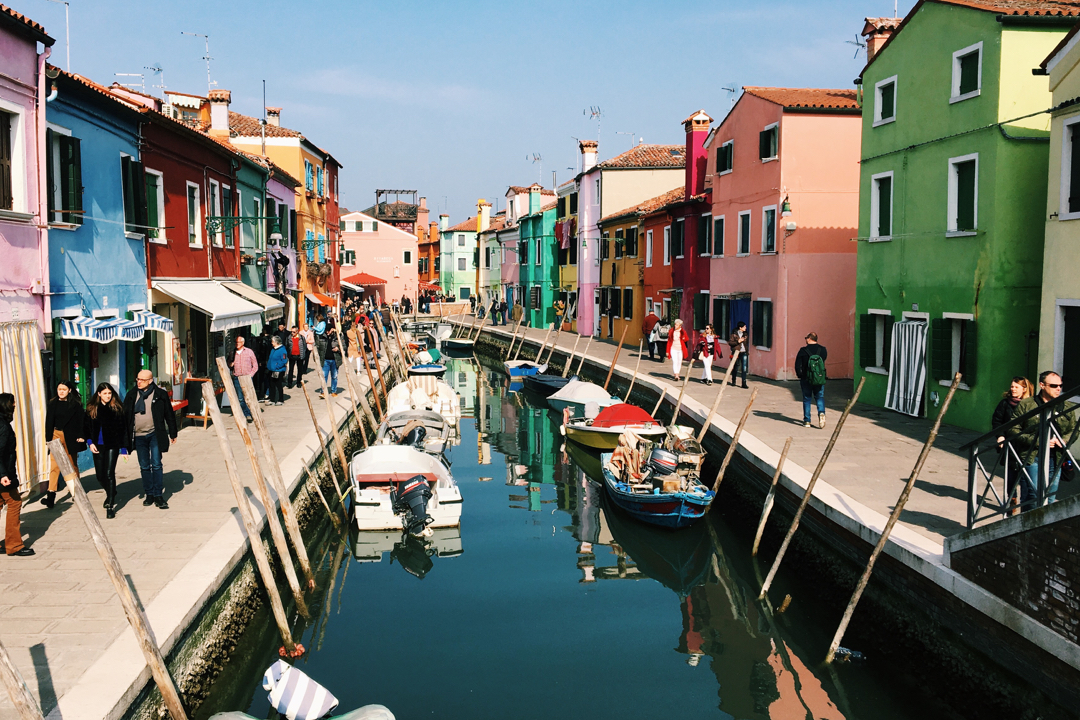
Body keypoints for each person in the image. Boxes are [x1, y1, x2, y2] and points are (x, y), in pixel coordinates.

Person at [1007, 371, 1077, 509]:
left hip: (1055, 458)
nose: (1058, 388)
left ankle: (1044, 528)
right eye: (1053, 385)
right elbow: (1013, 429)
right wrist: (1039, 441)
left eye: (1060, 385)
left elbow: (1074, 430)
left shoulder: (1066, 406)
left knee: (1050, 497)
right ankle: (1027, 527)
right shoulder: (1027, 405)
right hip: (1032, 456)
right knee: (1033, 495)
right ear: (1042, 385)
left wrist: (1063, 440)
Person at [123, 370, 178, 509]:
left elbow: (169, 414)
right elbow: (125, 419)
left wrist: (173, 433)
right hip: (139, 436)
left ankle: (158, 495)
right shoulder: (131, 395)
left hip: (154, 434)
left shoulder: (160, 395)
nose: (139, 382)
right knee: (144, 465)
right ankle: (149, 493)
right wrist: (124, 440)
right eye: (137, 379)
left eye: (142, 380)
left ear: (150, 381)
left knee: (156, 464)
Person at [84, 383, 128, 518]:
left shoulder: (117, 408)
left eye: (109, 393)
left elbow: (123, 429)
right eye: (105, 393)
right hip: (98, 446)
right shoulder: (92, 409)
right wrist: (90, 443)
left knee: (109, 473)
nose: (108, 396)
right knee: (100, 476)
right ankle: (111, 491)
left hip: (112, 445)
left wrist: (124, 449)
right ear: (99, 394)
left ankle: (110, 504)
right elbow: (86, 428)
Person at [993, 376, 1033, 515]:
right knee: (1011, 476)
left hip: (1026, 446)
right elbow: (997, 421)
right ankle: (1012, 500)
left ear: (1024, 389)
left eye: (1016, 387)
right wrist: (1000, 436)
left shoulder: (1030, 404)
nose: (1013, 389)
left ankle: (1026, 505)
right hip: (1010, 446)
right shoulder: (1005, 404)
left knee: (1026, 476)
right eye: (1012, 386)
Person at [43, 380, 85, 509]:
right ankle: (51, 494)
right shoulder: (52, 403)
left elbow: (81, 421)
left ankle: (76, 491)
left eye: (64, 389)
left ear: (70, 390)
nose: (61, 391)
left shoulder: (76, 405)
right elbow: (48, 421)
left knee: (72, 464)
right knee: (54, 465)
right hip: (56, 434)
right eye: (59, 389)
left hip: (71, 437)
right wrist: (48, 438)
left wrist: (81, 435)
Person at [0, 394, 32, 555]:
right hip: (4, 474)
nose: (15, 405)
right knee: (14, 503)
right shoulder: (3, 426)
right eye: (13, 403)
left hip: (3, 472)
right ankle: (14, 545)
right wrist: (3, 474)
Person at [794, 332, 829, 428]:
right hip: (819, 377)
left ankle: (807, 421)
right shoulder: (823, 350)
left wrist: (800, 375)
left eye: (806, 337)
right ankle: (821, 413)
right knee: (819, 397)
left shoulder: (803, 350)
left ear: (809, 338)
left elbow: (797, 365)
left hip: (806, 378)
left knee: (807, 398)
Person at [230, 335, 259, 422]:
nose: (236, 344)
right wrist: (231, 364)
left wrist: (250, 375)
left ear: (243, 343)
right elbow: (229, 363)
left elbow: (255, 365)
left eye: (238, 342)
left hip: (247, 377)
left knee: (249, 397)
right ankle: (246, 414)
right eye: (235, 342)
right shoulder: (233, 352)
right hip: (237, 377)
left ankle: (252, 413)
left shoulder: (249, 352)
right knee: (240, 398)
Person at [320, 327, 343, 395]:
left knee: (334, 376)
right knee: (324, 376)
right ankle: (323, 391)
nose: (327, 332)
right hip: (325, 360)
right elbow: (318, 347)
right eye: (326, 331)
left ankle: (334, 391)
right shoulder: (322, 337)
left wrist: (338, 348)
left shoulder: (338, 336)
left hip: (335, 360)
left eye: (329, 331)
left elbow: (344, 346)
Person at [266, 336, 288, 406]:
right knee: (271, 385)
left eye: (272, 342)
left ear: (276, 342)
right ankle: (272, 399)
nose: (271, 343)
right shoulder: (273, 349)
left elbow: (284, 360)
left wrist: (276, 366)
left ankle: (280, 399)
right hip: (271, 370)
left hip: (278, 370)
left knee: (278, 385)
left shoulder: (282, 350)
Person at [728, 321, 749, 388]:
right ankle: (733, 380)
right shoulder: (734, 334)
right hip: (736, 352)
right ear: (740, 327)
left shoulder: (745, 334)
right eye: (744, 327)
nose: (745, 328)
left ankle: (744, 383)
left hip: (744, 352)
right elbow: (730, 343)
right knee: (736, 367)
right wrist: (738, 341)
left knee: (744, 368)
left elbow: (746, 343)